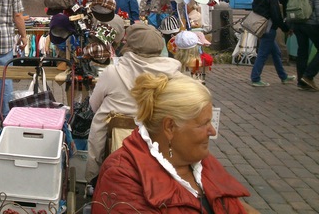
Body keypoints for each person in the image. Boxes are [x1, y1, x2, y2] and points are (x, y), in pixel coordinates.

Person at [93, 73, 259, 214]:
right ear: (170, 127)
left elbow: (231, 204)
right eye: (203, 124)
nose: (213, 131)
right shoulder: (122, 176)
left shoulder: (198, 160)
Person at [85, 23, 183, 186]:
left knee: (99, 125)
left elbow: (94, 105)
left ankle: (94, 177)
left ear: (130, 45)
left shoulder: (113, 71)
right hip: (158, 137)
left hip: (116, 137)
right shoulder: (174, 74)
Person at [250, 0, 296, 87]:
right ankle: (255, 78)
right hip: (270, 29)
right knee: (262, 54)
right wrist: (286, 28)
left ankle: (283, 76)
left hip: (261, 28)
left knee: (276, 53)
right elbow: (276, 16)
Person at [289, 0, 319, 91]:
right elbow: (318, 6)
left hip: (297, 22)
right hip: (311, 22)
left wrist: (290, 23)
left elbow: (290, 3)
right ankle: (308, 76)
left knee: (302, 51)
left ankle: (301, 80)